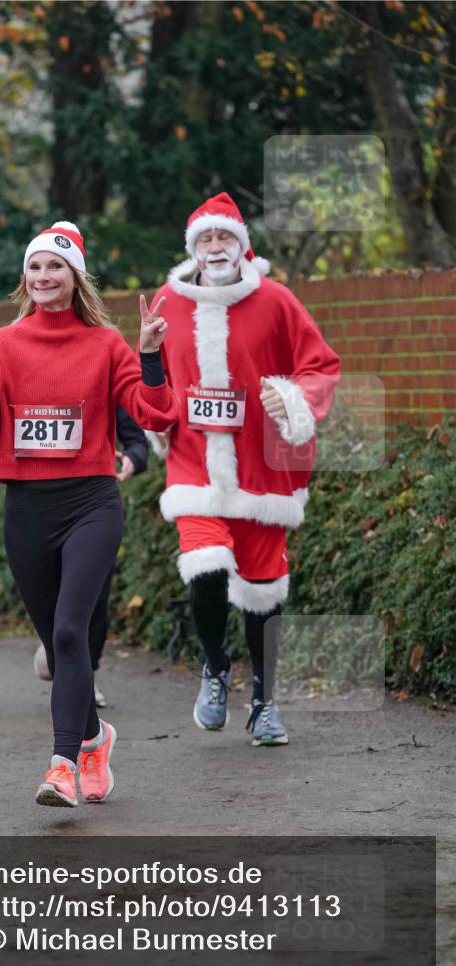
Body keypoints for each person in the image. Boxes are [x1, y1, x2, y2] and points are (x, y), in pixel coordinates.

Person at [0, 221, 178, 807]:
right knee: (57, 649)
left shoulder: (106, 344)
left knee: (71, 630)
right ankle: (95, 738)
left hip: (90, 504)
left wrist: (150, 355)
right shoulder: (6, 344)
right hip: (27, 508)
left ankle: (61, 767)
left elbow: (155, 415)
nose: (44, 275)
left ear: (75, 276)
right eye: (35, 266)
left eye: (55, 266)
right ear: (24, 278)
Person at [147, 192, 340, 745]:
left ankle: (263, 701)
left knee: (262, 592)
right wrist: (151, 389)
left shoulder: (275, 299)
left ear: (242, 246)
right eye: (205, 238)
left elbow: (320, 366)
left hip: (262, 474)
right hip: (194, 469)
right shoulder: (167, 301)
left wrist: (292, 397)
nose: (215, 247)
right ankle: (214, 667)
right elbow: (151, 378)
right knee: (205, 568)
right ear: (192, 249)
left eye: (224, 237)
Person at [33, 407, 149, 707]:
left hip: (92, 506)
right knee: (49, 593)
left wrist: (133, 458)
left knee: (94, 597)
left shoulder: (103, 382)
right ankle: (54, 645)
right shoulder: (29, 382)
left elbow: (136, 441)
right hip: (37, 503)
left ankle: (87, 675)